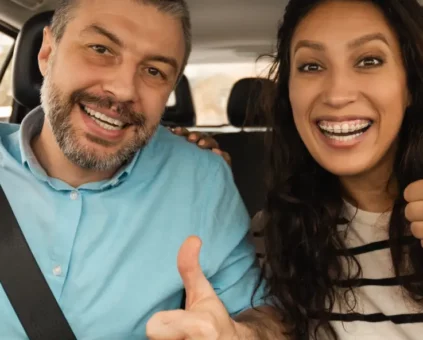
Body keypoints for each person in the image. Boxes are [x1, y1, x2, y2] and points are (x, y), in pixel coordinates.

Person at [0, 0, 283, 339]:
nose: (122, 90)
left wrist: (242, 334)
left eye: (154, 71)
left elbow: (258, 311)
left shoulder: (201, 179)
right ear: (47, 52)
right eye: (101, 49)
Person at [252, 0, 423, 339]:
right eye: (312, 66)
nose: (336, 94)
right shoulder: (272, 232)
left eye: (369, 60)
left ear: (410, 86)